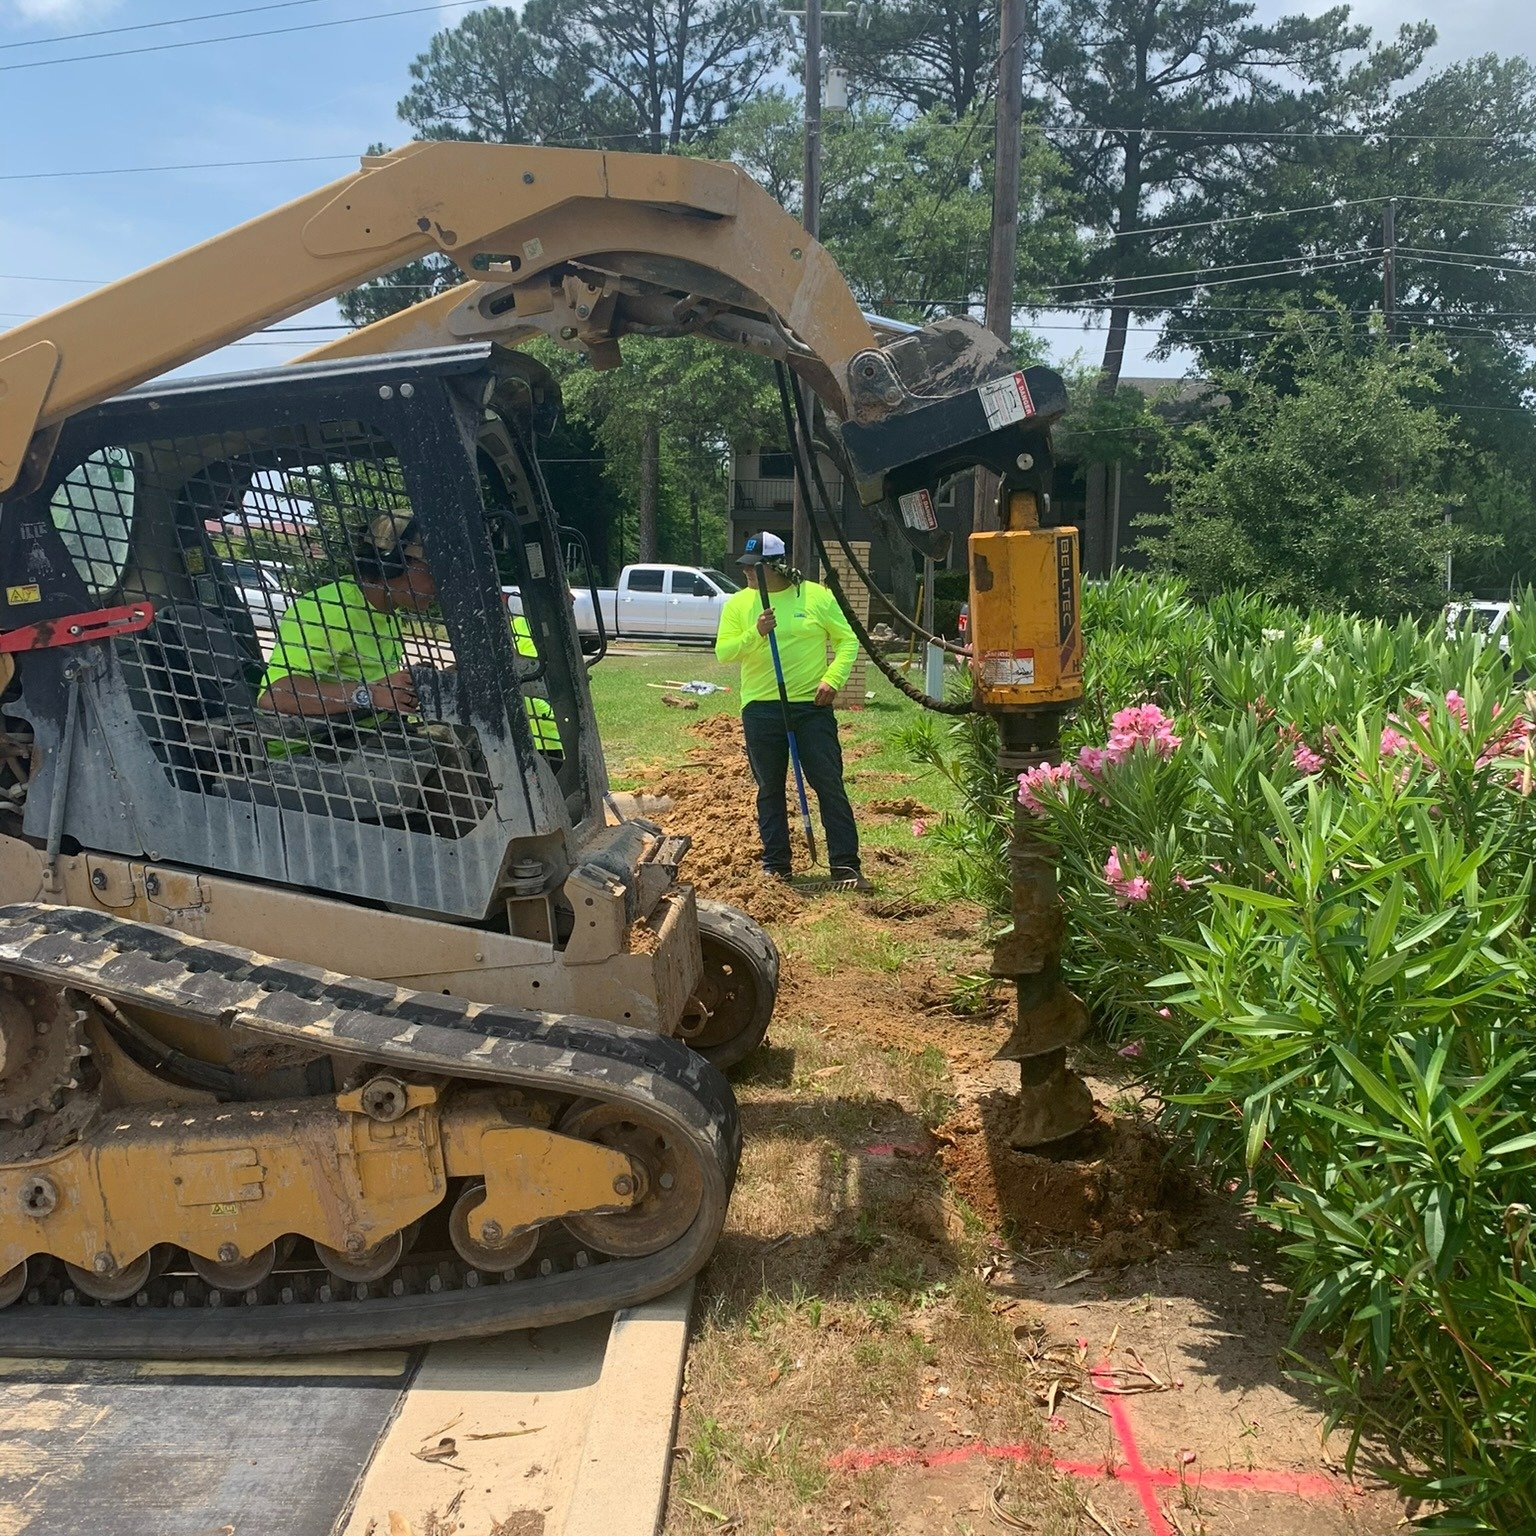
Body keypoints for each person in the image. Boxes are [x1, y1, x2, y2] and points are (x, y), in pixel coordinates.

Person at [714, 531, 870, 891]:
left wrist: (833, 679)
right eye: (745, 567)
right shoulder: (738, 605)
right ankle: (777, 867)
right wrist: (756, 632)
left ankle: (846, 867)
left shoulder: (815, 596)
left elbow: (847, 640)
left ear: (775, 566)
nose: (747, 573)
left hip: (811, 708)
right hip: (761, 708)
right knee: (769, 787)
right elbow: (724, 652)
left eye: (754, 567)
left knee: (828, 784)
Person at [256, 509, 432, 728]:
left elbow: (373, 680)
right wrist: (370, 695)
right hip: (307, 749)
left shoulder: (387, 610)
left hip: (364, 737)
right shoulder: (327, 609)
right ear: (393, 561)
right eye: (432, 569)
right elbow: (275, 696)